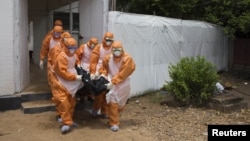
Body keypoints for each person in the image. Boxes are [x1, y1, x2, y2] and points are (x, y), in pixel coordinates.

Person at [100, 41, 136, 132]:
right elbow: (104, 69)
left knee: (121, 103)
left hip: (123, 83)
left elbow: (124, 73)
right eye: (115, 49)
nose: (117, 51)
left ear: (122, 49)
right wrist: (102, 75)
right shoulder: (108, 58)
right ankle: (114, 123)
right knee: (113, 103)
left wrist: (114, 81)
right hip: (111, 82)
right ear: (112, 50)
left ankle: (113, 117)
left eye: (118, 49)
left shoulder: (127, 59)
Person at [50, 37, 83, 134]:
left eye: (74, 47)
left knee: (71, 102)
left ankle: (69, 120)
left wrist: (79, 66)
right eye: (70, 47)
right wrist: (75, 77)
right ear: (66, 46)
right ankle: (66, 123)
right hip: (61, 81)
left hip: (71, 81)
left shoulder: (74, 55)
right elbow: (62, 72)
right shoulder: (61, 57)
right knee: (64, 102)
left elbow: (76, 61)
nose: (73, 49)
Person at [89, 32, 114, 118]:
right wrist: (93, 72)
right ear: (104, 39)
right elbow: (93, 61)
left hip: (109, 72)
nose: (109, 42)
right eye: (107, 40)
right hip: (98, 73)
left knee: (107, 93)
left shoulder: (113, 48)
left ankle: (104, 112)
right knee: (99, 93)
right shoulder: (98, 47)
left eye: (110, 40)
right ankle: (95, 109)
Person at [75, 37, 99, 102]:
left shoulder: (97, 49)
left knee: (91, 82)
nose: (93, 46)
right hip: (83, 66)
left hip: (92, 67)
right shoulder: (83, 47)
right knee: (83, 82)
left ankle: (89, 96)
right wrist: (78, 64)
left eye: (94, 45)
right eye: (92, 44)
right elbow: (77, 56)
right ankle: (81, 96)